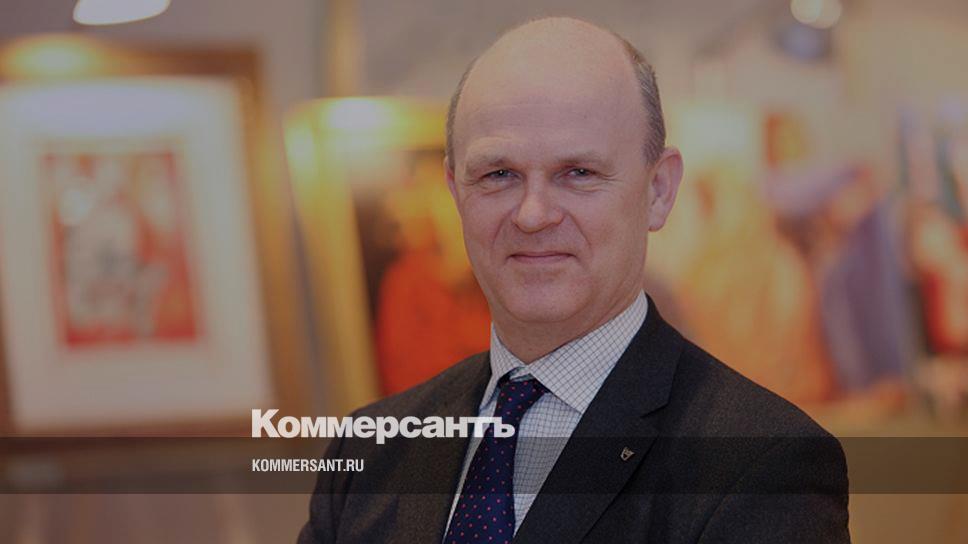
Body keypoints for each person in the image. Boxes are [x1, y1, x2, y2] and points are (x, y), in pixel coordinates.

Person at [298, 16, 849, 544]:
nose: (533, 214)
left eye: (578, 173)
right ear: (454, 192)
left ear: (659, 191)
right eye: (498, 174)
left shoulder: (762, 465)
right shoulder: (371, 451)